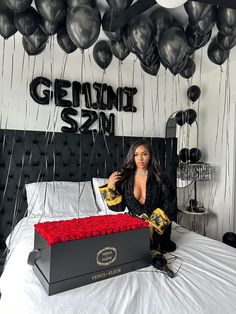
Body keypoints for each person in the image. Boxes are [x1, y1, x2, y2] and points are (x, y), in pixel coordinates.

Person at [99, 140, 177, 273]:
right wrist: (111, 185)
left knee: (148, 244)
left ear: (150, 156)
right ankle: (151, 255)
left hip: (158, 226)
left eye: (144, 154)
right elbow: (117, 208)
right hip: (134, 224)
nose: (140, 158)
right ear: (132, 156)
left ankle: (155, 255)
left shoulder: (161, 178)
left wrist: (152, 225)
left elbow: (170, 205)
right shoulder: (124, 179)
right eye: (136, 154)